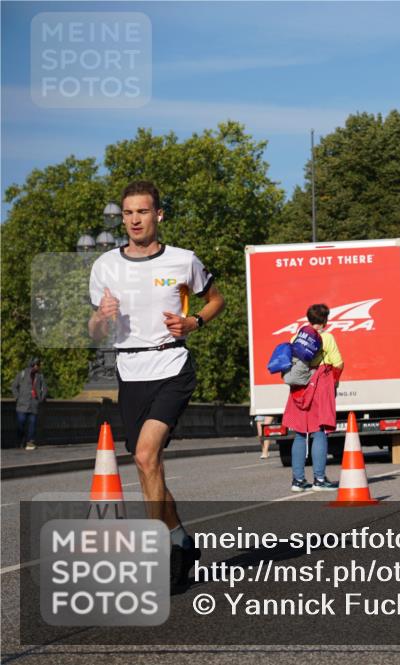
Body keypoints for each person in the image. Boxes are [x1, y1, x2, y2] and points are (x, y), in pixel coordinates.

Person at [88, 180, 225, 590]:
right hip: (131, 372)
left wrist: (193, 322)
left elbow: (216, 299)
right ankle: (180, 538)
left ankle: (159, 552)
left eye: (142, 212)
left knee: (147, 457)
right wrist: (102, 317)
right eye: (128, 213)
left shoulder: (183, 261)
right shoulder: (105, 267)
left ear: (158, 215)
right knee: (148, 467)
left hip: (172, 365)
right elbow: (96, 332)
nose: (133, 219)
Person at [283, 304, 344, 492]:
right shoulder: (327, 338)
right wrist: (334, 384)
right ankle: (319, 479)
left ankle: (298, 481)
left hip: (298, 388)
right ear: (325, 320)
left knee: (300, 434)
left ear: (309, 319)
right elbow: (338, 363)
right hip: (319, 387)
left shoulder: (296, 337)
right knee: (319, 432)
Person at [12, 357, 47, 450]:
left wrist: (40, 398)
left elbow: (44, 389)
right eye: (36, 365)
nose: (38, 367)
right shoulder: (22, 374)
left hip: (33, 405)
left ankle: (30, 442)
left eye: (38, 365)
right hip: (22, 404)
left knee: (32, 424)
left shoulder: (40, 376)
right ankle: (19, 441)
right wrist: (18, 397)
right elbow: (14, 386)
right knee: (21, 423)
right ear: (32, 364)